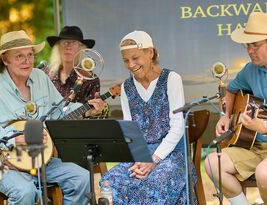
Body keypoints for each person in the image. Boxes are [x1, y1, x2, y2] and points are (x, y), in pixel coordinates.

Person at [0, 30, 105, 204]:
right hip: (0, 163)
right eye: (19, 56)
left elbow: (61, 109)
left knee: (82, 178)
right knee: (25, 191)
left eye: (30, 55)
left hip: (41, 158)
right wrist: (15, 140)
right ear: (5, 59)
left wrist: (88, 109)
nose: (27, 61)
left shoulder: (40, 77)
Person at [99, 30, 197, 204]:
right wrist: (140, 161)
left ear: (150, 53)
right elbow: (130, 131)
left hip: (172, 156)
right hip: (141, 156)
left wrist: (153, 160)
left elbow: (177, 126)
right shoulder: (127, 87)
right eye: (126, 60)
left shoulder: (171, 79)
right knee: (108, 181)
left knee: (154, 183)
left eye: (135, 58)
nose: (130, 65)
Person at [205, 12, 267, 205]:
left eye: (255, 45)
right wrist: (225, 116)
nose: (249, 50)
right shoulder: (250, 69)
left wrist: (262, 127)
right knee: (212, 163)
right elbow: (231, 91)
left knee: (264, 173)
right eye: (247, 45)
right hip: (255, 147)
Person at [45, 26, 108, 117]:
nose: (68, 47)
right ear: (58, 48)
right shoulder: (46, 74)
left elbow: (92, 117)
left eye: (74, 43)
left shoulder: (90, 79)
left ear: (81, 48)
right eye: (64, 43)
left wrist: (92, 112)